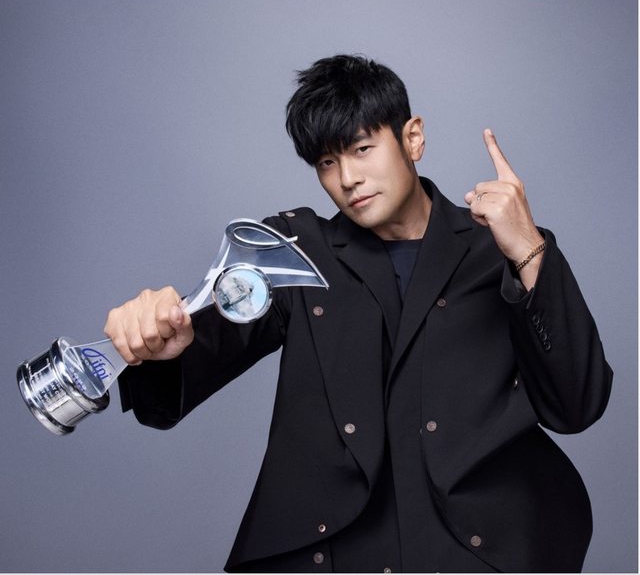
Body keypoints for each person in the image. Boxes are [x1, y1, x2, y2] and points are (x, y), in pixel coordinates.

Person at [107, 54, 613, 573]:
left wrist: (529, 250)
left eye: (362, 149)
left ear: (412, 138)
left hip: (478, 551)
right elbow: (173, 387)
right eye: (327, 163)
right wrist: (160, 349)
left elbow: (576, 407)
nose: (347, 178)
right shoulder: (296, 251)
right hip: (329, 554)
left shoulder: (502, 248)